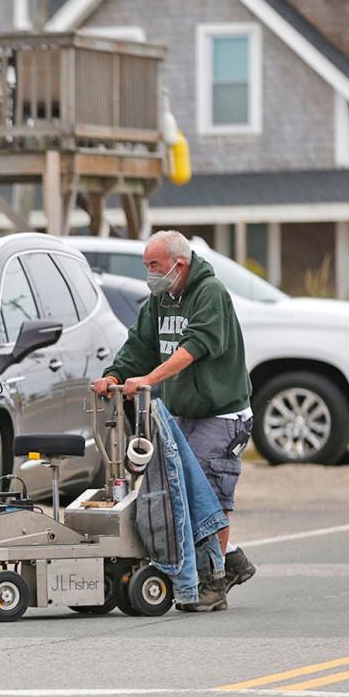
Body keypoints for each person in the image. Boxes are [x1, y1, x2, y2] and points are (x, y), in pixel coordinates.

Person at [92, 230, 257, 612]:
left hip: (223, 412)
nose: (149, 273)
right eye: (146, 265)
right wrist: (115, 375)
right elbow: (140, 346)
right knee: (176, 489)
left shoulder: (209, 292)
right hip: (186, 412)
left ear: (178, 265)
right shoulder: (160, 299)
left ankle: (213, 580)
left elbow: (195, 346)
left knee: (208, 493)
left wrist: (149, 380)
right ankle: (230, 560)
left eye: (154, 266)